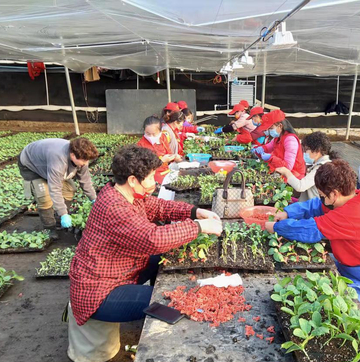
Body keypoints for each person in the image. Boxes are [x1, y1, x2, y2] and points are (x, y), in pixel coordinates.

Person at [264, 160, 360, 353]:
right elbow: (316, 206)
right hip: (357, 269)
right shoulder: (358, 196)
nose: (321, 198)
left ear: (334, 194)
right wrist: (288, 212)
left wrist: (276, 227)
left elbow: (311, 230)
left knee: (335, 316)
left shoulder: (351, 213)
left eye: (323, 194)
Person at [69, 145, 222, 329]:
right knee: (169, 297)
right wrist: (199, 226)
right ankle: (154, 324)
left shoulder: (126, 193)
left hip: (122, 272)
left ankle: (148, 309)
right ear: (133, 180)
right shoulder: (114, 207)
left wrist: (195, 212)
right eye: (150, 177)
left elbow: (159, 207)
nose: (154, 182)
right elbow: (153, 239)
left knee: (166, 259)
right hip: (100, 292)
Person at [18, 137, 99, 237]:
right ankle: (49, 227)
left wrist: (94, 199)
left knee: (69, 189)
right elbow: (55, 189)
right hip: (31, 165)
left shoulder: (81, 157)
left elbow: (85, 180)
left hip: (48, 163)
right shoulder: (58, 160)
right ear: (73, 155)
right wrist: (63, 214)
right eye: (84, 161)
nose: (86, 163)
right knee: (44, 197)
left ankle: (58, 219)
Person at [275, 132, 338, 202]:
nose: (304, 153)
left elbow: (300, 186)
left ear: (317, 151)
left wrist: (287, 173)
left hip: (313, 206)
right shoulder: (322, 164)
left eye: (306, 150)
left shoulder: (321, 168)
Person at [251, 110, 306, 179]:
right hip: (281, 173)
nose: (269, 131)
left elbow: (288, 167)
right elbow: (268, 147)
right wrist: (259, 149)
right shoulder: (277, 138)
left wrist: (271, 158)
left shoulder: (290, 140)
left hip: (294, 176)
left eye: (271, 128)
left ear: (280, 126)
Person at [137, 116, 181, 185]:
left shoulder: (163, 137)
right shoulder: (140, 145)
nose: (151, 137)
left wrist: (174, 157)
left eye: (154, 134)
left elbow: (168, 152)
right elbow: (142, 167)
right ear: (144, 131)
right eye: (148, 133)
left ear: (160, 131)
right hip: (152, 178)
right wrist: (161, 161)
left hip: (166, 172)